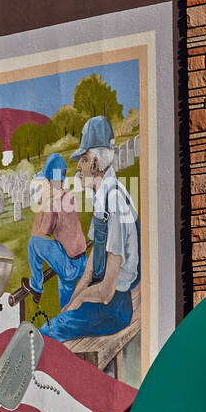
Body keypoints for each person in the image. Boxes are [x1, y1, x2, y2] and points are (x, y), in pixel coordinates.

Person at [42, 116, 140, 342]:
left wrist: (78, 302)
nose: (78, 167)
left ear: (96, 163)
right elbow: (90, 268)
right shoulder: (103, 199)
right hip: (107, 302)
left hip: (114, 308)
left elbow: (105, 292)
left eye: (83, 160)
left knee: (44, 335)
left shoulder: (114, 202)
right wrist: (70, 305)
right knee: (57, 320)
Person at [13, 153, 86, 312]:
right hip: (81, 261)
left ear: (48, 182)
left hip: (68, 265)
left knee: (32, 243)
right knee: (68, 307)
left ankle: (36, 286)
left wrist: (41, 208)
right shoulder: (69, 197)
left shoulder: (52, 204)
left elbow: (39, 235)